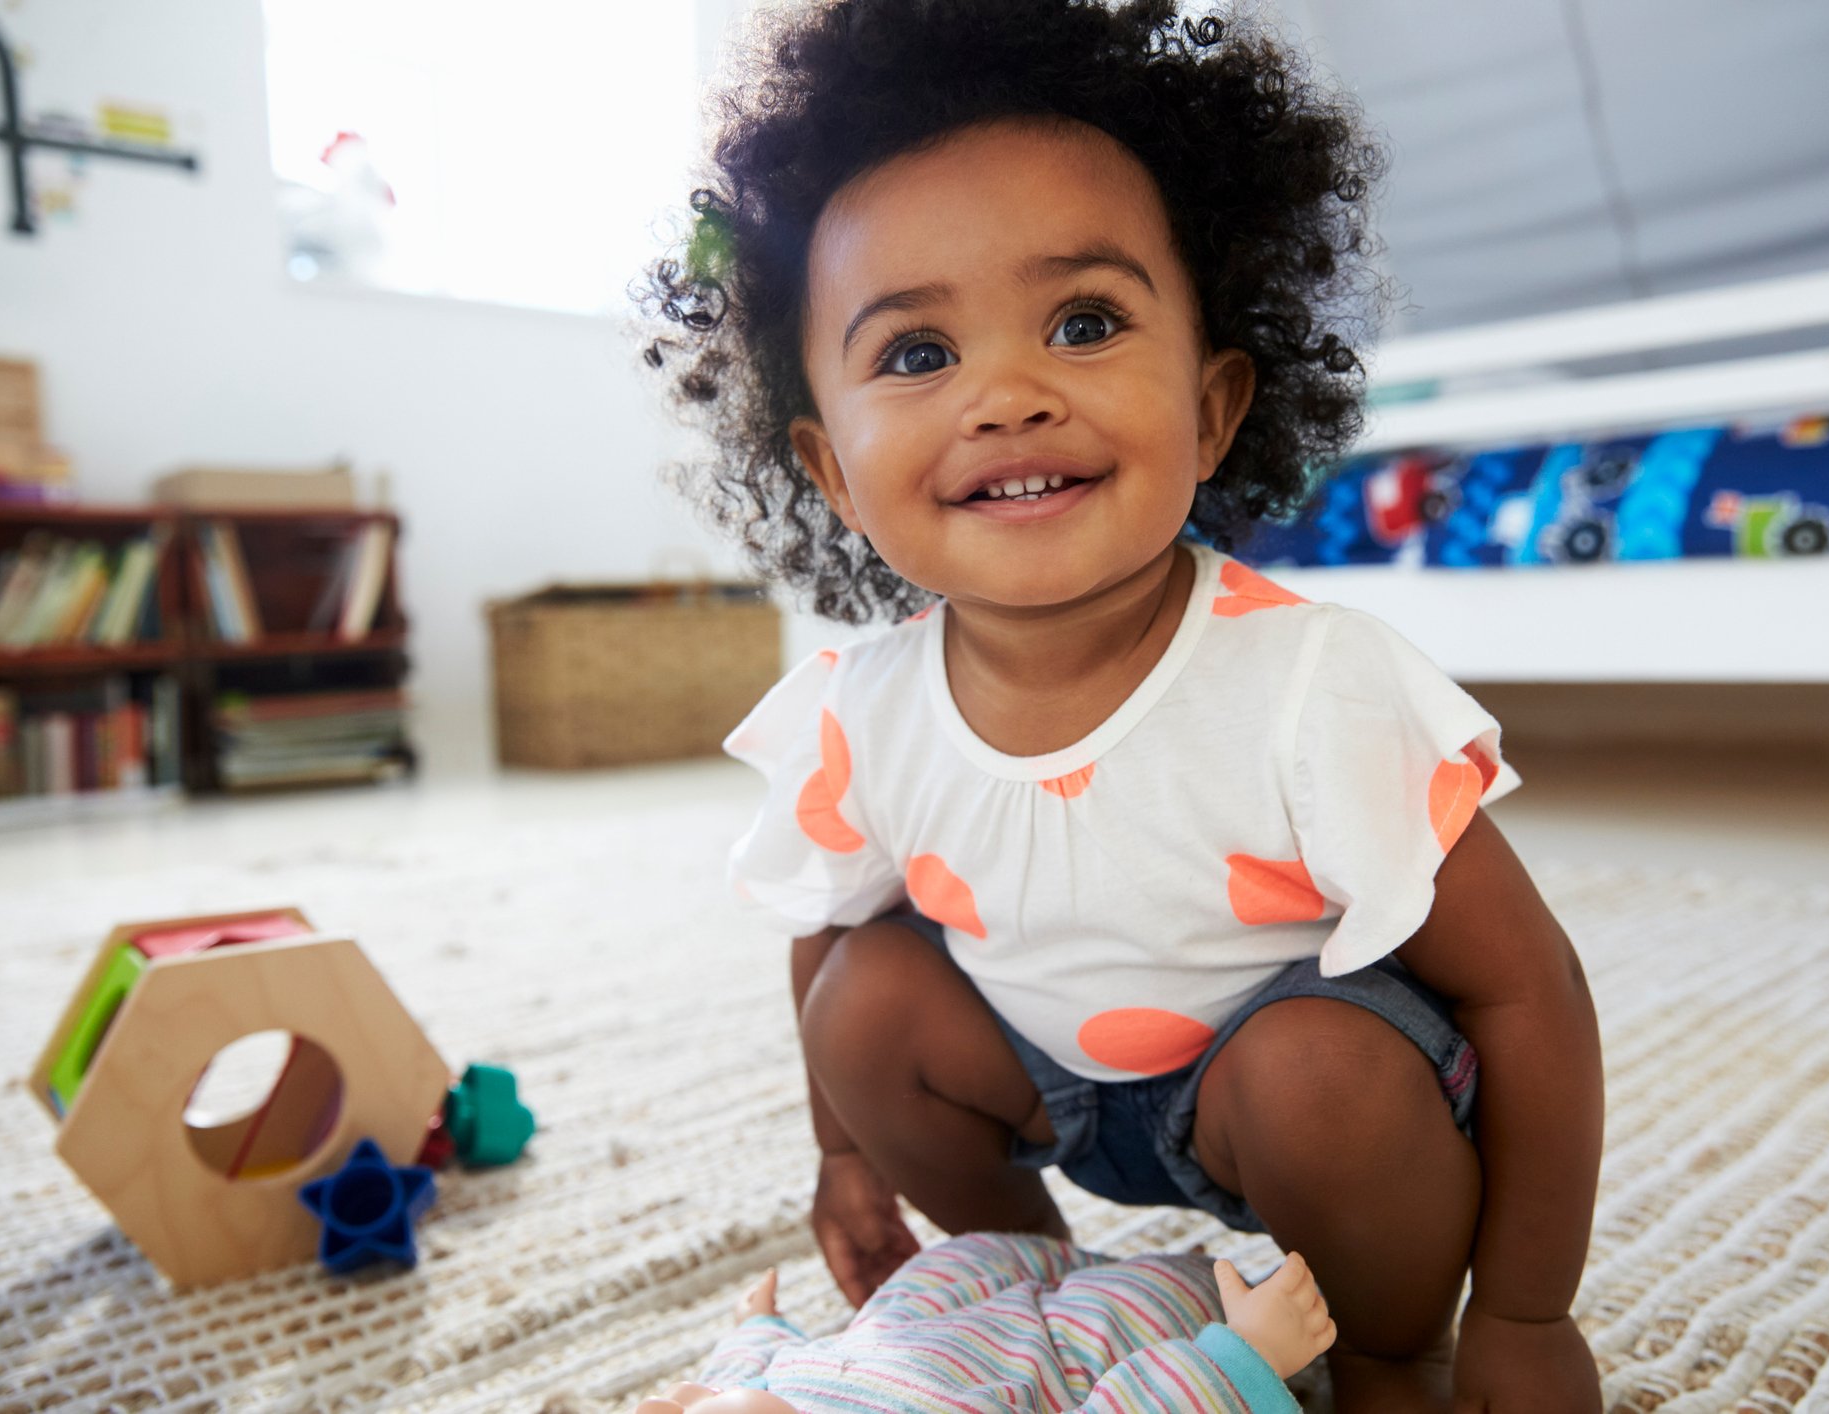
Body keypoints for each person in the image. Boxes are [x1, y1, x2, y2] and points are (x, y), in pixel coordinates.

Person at [638, 3, 1604, 1408]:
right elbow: (826, 950)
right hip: (1055, 1083)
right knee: (864, 995)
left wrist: (1528, 1311)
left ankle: (1388, 1346)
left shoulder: (1309, 682)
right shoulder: (864, 707)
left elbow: (1528, 987)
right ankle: (1043, 1293)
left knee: (1316, 1078)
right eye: (916, 353)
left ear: (1213, 407)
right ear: (830, 470)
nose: (1008, 395)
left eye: (1082, 323)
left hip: (1296, 1085)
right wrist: (845, 1153)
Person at [634, 1232, 1334, 1413]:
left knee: (946, 1265)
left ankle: (1045, 1244)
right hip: (1073, 1353)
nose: (663, 1402)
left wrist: (751, 1329)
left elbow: (740, 1382)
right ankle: (1252, 1323)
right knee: (1160, 1297)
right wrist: (1243, 1355)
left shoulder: (753, 1393)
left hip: (916, 1322)